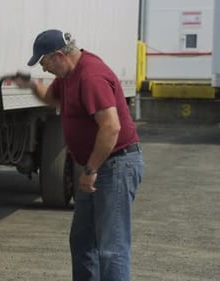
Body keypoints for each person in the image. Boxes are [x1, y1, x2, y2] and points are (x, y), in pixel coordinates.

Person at [15, 29, 144, 281]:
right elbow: (52, 99)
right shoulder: (68, 75)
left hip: (115, 166)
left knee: (111, 248)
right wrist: (29, 85)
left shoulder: (91, 76)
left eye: (45, 63)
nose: (45, 69)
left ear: (60, 55)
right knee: (83, 240)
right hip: (99, 166)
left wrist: (91, 169)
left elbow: (111, 127)